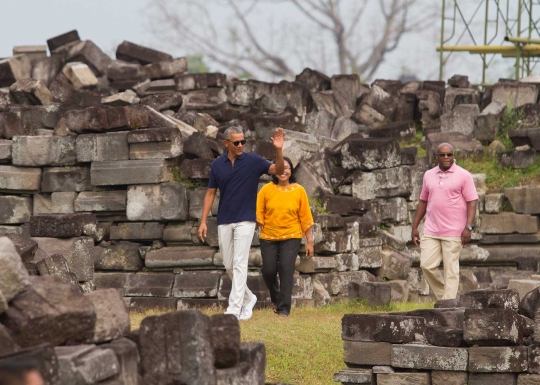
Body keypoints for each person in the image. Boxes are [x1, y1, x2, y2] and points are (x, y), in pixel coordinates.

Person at [198, 126, 285, 320]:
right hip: (224, 220)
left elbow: (277, 170)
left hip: (246, 220)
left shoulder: (253, 160)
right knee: (229, 264)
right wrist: (203, 221)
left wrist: (278, 150)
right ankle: (249, 298)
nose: (240, 145)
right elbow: (210, 193)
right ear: (226, 143)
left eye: (243, 141)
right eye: (236, 142)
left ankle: (234, 309)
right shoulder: (217, 165)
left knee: (239, 263)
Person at [411, 142, 478, 300]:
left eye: (449, 154)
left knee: (451, 270)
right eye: (443, 155)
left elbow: (472, 202)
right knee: (426, 265)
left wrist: (468, 227)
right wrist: (415, 227)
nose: (446, 157)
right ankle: (446, 299)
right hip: (431, 230)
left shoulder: (464, 175)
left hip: (454, 231)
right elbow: (423, 201)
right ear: (437, 157)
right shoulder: (428, 175)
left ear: (453, 156)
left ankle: (448, 307)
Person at [256, 156, 314, 317]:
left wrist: (310, 241)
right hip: (268, 236)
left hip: (292, 236)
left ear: (291, 171)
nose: (284, 171)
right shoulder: (266, 190)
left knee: (286, 270)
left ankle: (283, 310)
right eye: (281, 167)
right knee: (268, 271)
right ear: (274, 171)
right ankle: (276, 298)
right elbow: (258, 215)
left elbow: (305, 218)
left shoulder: (299, 190)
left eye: (287, 168)